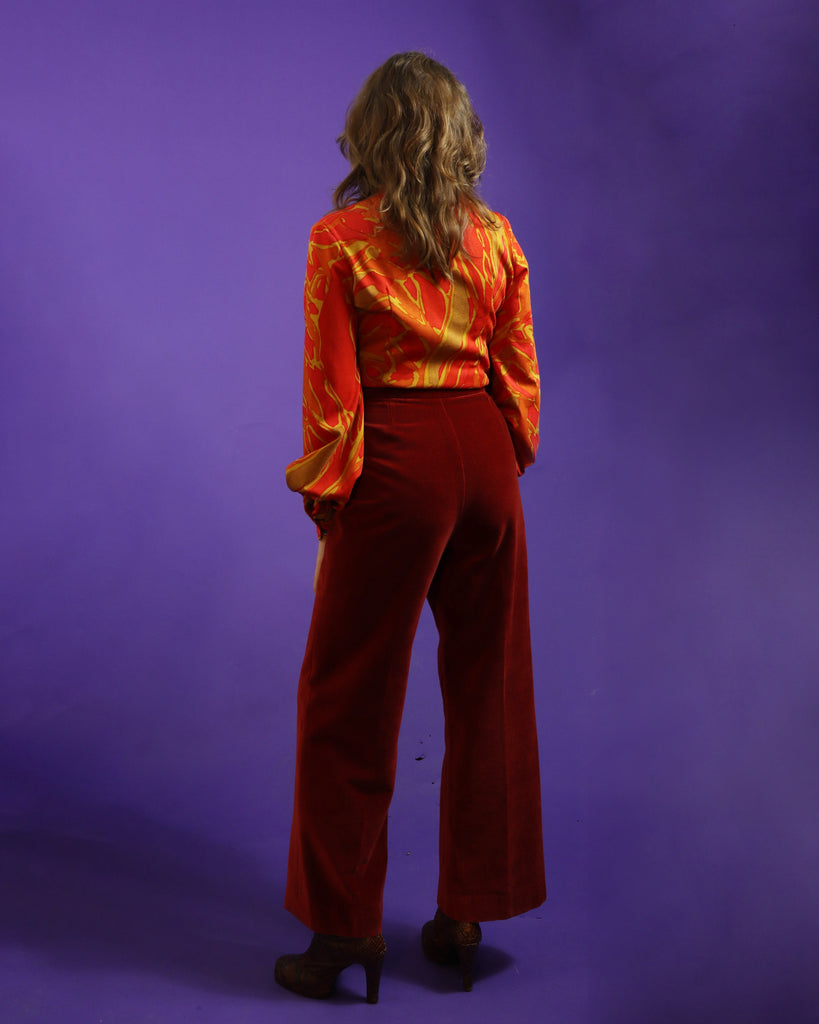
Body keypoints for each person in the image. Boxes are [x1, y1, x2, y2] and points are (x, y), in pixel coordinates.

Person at [275, 51, 546, 1004]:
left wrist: (331, 503)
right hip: (483, 450)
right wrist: (495, 463)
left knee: (348, 692)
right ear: (457, 134)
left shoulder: (341, 237)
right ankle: (467, 914)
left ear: (371, 132)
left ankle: (343, 929)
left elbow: (331, 397)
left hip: (396, 456)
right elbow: (518, 373)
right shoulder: (495, 235)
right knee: (489, 684)